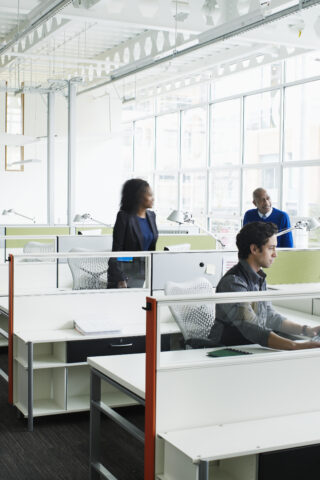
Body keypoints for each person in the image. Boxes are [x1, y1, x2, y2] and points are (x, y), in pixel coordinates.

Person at [209, 222, 320, 350]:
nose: (275, 254)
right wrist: (295, 346)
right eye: (271, 248)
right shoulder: (233, 283)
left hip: (248, 346)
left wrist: (307, 330)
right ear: (254, 249)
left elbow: (269, 316)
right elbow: (251, 327)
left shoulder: (258, 278)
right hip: (226, 350)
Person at [107, 178, 158, 288]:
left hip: (144, 272)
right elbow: (117, 252)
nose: (153, 198)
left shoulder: (151, 216)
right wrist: (120, 277)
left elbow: (151, 248)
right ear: (138, 196)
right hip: (126, 273)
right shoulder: (124, 217)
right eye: (149, 195)